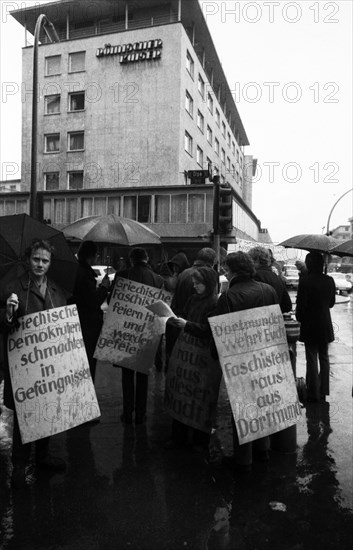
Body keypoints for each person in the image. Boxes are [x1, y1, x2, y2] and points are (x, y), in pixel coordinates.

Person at [0, 239, 67, 488]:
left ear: (50, 264)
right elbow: (3, 323)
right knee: (23, 414)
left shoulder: (57, 290)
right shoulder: (12, 287)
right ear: (29, 260)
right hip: (24, 364)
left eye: (45, 260)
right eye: (36, 259)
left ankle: (42, 456)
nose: (40, 264)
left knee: (47, 409)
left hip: (49, 364)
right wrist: (8, 312)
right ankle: (19, 464)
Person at [212, 252, 279, 471]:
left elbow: (220, 335)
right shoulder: (268, 291)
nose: (225, 273)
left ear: (233, 271)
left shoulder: (229, 297)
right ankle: (264, 450)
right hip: (266, 358)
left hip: (240, 361)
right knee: (263, 404)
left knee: (242, 408)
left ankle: (244, 460)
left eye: (226, 270)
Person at [165, 266, 219, 452]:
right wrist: (176, 320)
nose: (195, 286)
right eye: (194, 283)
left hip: (202, 358)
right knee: (181, 392)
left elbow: (208, 330)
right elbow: (185, 316)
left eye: (198, 283)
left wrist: (186, 324)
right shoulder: (193, 299)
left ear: (209, 284)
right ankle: (178, 437)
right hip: (185, 354)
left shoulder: (214, 303)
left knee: (199, 397)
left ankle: (199, 441)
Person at [113, 247, 164, 425]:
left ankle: (127, 413)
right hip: (147, 330)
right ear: (147, 258)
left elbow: (114, 301)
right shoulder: (158, 279)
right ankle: (141, 415)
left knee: (127, 375)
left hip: (126, 329)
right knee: (143, 374)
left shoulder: (121, 275)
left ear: (131, 259)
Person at [296, 252, 336, 403]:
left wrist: (300, 318)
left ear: (309, 263)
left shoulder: (305, 281)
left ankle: (313, 391)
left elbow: (301, 308)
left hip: (310, 325)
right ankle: (323, 390)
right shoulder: (329, 280)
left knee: (311, 358)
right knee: (324, 358)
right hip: (325, 324)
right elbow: (331, 303)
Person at [71, 241, 110, 383]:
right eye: (97, 255)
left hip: (77, 323)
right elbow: (93, 302)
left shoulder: (75, 270)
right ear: (91, 256)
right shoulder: (85, 274)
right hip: (87, 327)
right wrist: (104, 288)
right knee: (87, 363)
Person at [171, 248, 216, 315]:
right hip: (196, 318)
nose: (195, 286)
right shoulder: (208, 275)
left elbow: (175, 299)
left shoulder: (183, 273)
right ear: (210, 263)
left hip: (181, 317)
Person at [248, 246, 292, 313]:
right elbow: (287, 306)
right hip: (274, 318)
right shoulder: (277, 278)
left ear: (256, 260)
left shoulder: (253, 277)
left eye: (249, 260)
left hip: (258, 319)